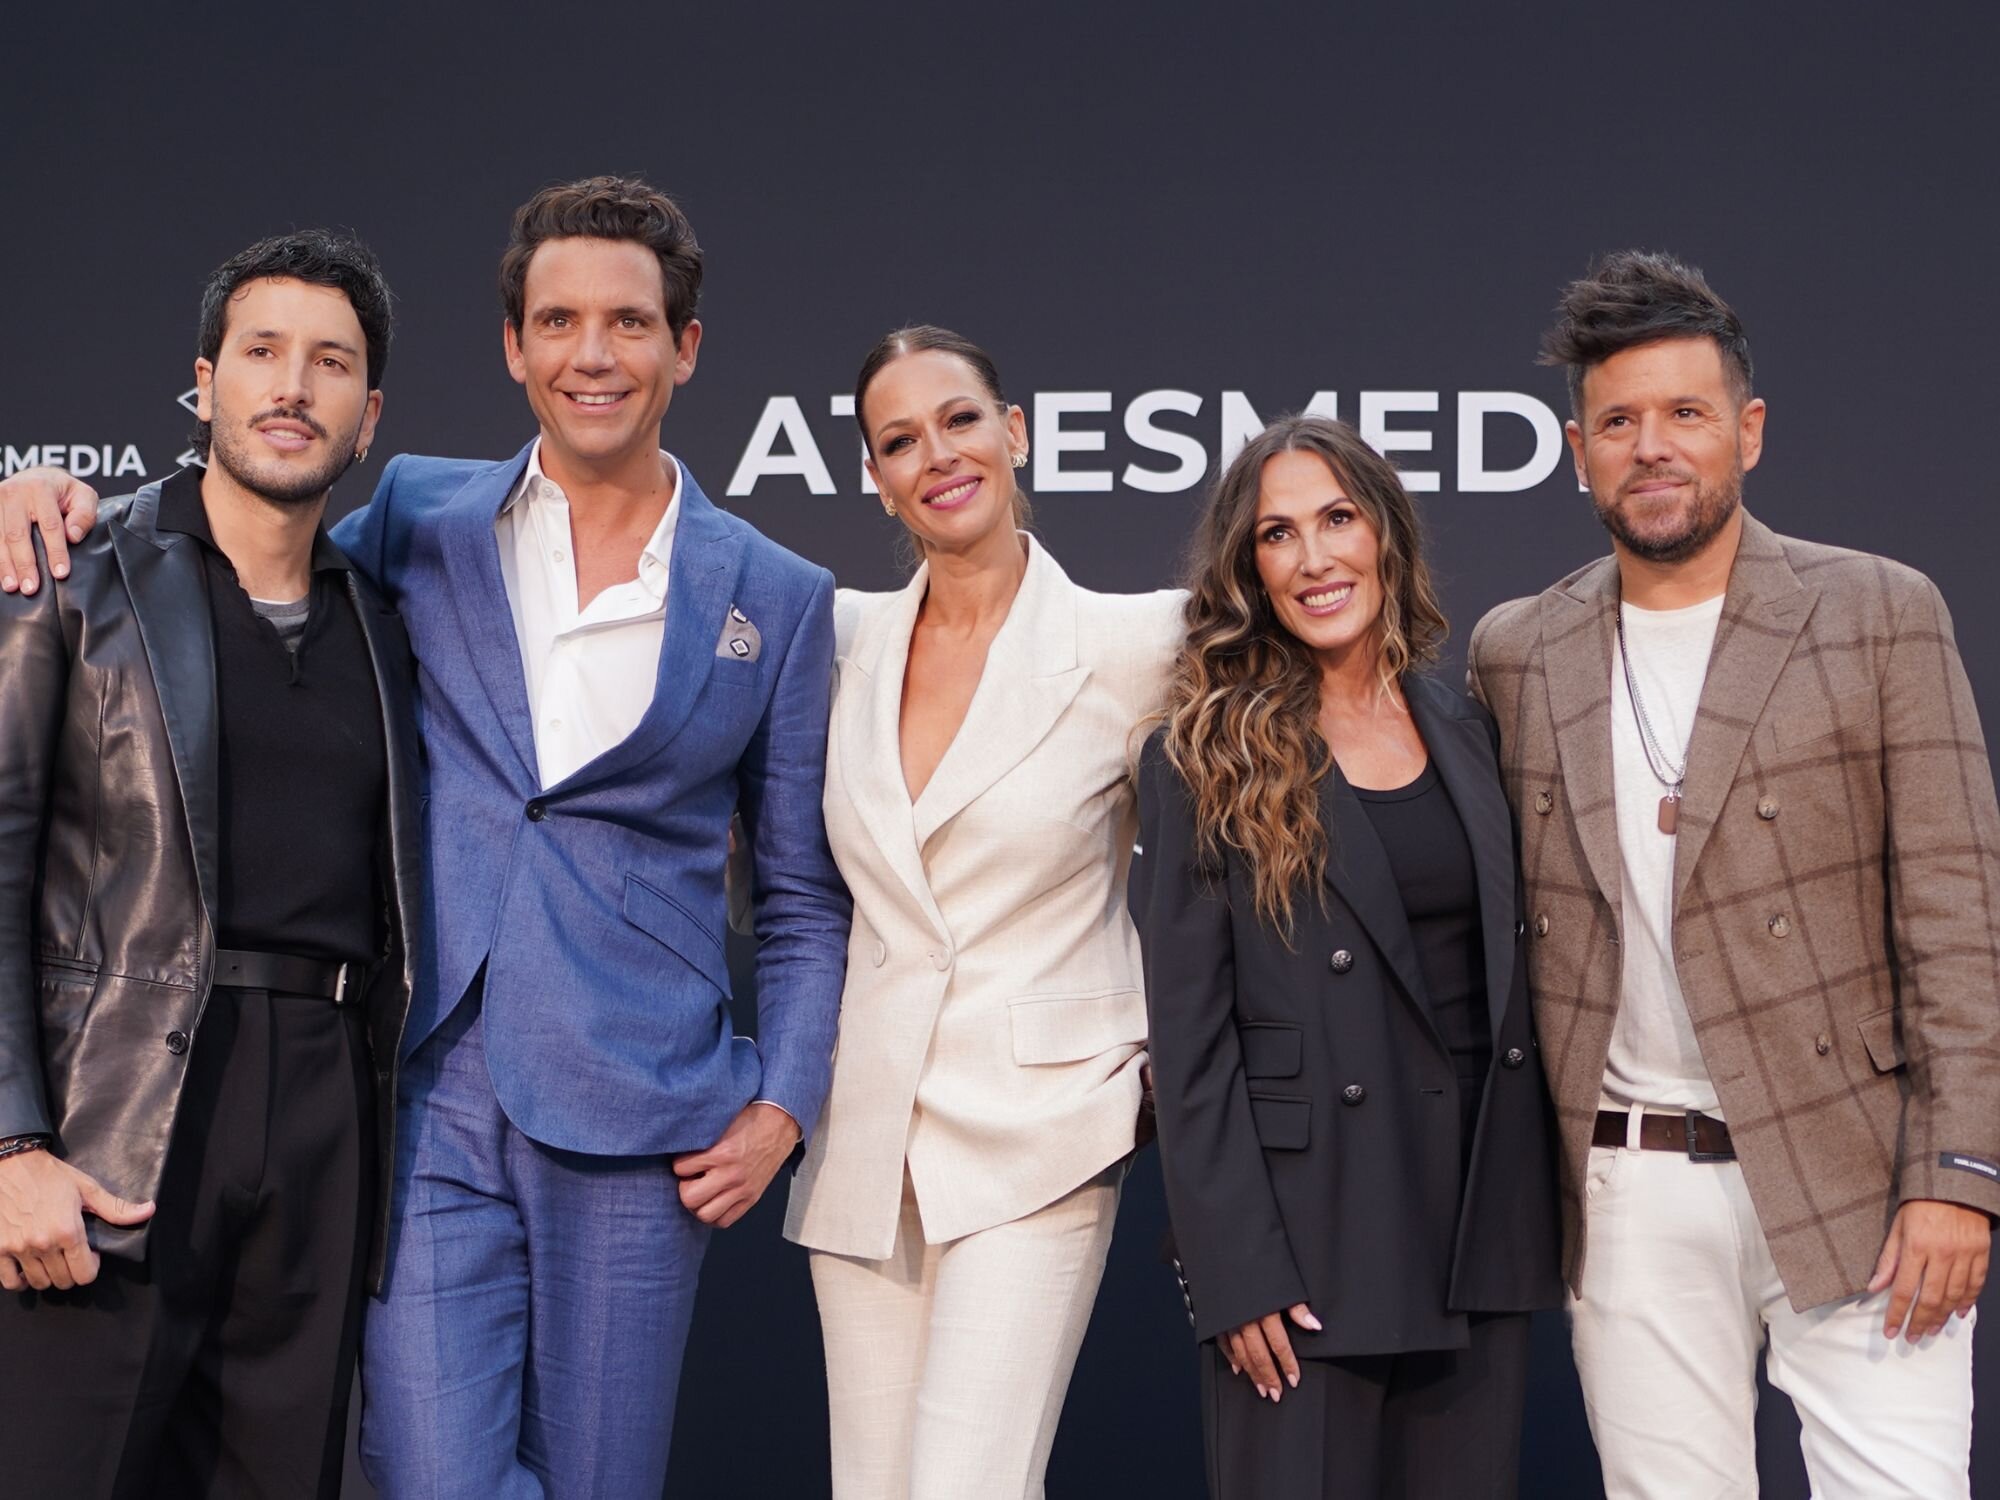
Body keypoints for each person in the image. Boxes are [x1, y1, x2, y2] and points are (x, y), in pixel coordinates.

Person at [0, 176, 852, 1499]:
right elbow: (226, 541)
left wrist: (784, 1102)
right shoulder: (419, 519)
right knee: (425, 1481)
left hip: (639, 1119)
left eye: (629, 323)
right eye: (557, 320)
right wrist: (48, 499)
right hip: (424, 1097)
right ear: (512, 348)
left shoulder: (781, 598)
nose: (591, 354)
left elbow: (798, 897)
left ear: (685, 348)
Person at [1467, 250, 1999, 1498]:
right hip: (1628, 1185)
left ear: (1746, 432)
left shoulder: (1876, 611)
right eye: (1618, 421)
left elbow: (1956, 920)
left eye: (1684, 414)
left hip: (1858, 1173)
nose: (1651, 447)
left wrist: (1957, 1179)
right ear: (1576, 448)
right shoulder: (1515, 650)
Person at [0, 231, 422, 1497]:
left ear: (369, 414)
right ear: (205, 380)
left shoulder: (385, 618)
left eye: (330, 362)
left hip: (324, 1126)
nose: (293, 386)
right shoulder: (74, 573)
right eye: (262, 353)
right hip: (111, 1125)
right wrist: (11, 1145)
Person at [780, 326, 1182, 1499]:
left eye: (958, 420)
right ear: (874, 477)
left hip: (1044, 1130)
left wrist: (1166, 1048)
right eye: (898, 440)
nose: (936, 455)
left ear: (1012, 434)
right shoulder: (840, 638)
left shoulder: (1133, 642)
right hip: (866, 1147)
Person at [1130, 413, 1562, 1499]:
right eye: (1278, 534)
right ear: (1249, 568)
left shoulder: (1466, 727)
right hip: (1303, 1247)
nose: (1315, 557)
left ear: (1384, 534)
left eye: (1336, 518)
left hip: (1470, 1227)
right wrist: (1231, 1272)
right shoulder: (1198, 757)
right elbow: (1187, 1045)